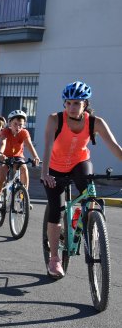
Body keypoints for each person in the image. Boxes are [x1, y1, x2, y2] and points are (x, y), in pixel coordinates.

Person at [41, 81, 122, 278]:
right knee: (56, 210)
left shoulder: (96, 122)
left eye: (76, 103)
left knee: (90, 194)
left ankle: (91, 223)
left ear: (85, 104)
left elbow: (114, 146)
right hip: (55, 168)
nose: (71, 108)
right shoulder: (55, 119)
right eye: (68, 103)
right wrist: (45, 173)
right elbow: (48, 146)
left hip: (79, 163)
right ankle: (54, 259)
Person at [0, 110, 41, 217]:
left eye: (21, 124)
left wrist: (35, 156)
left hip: (17, 156)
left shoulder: (24, 132)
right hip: (4, 156)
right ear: (10, 123)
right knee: (1, 176)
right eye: (15, 124)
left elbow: (29, 144)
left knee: (24, 169)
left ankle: (24, 198)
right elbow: (3, 143)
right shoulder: (5, 131)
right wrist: (0, 153)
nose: (18, 127)